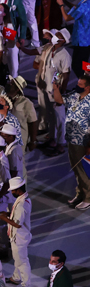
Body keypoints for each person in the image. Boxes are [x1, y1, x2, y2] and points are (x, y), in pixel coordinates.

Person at [52, 74, 90, 210]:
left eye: (80, 85)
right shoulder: (74, 96)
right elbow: (59, 100)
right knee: (76, 169)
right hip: (71, 139)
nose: (77, 86)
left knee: (84, 171)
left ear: (88, 87)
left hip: (83, 142)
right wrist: (55, 88)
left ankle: (88, 198)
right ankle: (80, 193)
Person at [0, 177, 32, 287]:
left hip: (20, 238)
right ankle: (16, 277)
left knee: (22, 261)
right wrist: (8, 214)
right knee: (17, 258)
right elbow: (17, 217)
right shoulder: (23, 199)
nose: (11, 192)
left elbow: (17, 224)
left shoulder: (22, 204)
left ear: (18, 190)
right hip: (18, 237)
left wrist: (4, 218)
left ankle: (26, 286)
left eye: (12, 190)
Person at [55, 0, 90, 79]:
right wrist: (64, 0)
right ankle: (86, 80)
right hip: (87, 40)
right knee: (85, 65)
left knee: (76, 65)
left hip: (81, 41)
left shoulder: (83, 5)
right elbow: (76, 8)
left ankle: (85, 84)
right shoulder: (86, 2)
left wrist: (61, 5)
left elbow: (67, 18)